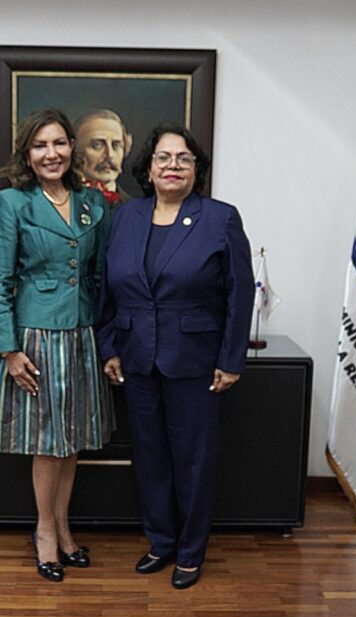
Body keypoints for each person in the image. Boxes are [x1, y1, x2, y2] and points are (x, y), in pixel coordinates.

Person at [97, 123, 255, 589]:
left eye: (183, 159)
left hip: (197, 362)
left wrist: (231, 359)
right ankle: (161, 541)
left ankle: (190, 551)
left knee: (193, 460)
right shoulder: (125, 217)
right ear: (148, 168)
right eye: (163, 158)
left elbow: (240, 292)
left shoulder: (220, 218)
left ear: (195, 169)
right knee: (150, 458)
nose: (173, 166)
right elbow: (107, 288)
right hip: (137, 360)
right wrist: (109, 346)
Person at [0, 108, 113, 583]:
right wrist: (9, 350)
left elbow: (99, 276)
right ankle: (44, 532)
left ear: (71, 148)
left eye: (58, 143)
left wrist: (107, 338)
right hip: (36, 339)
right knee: (48, 443)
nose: (51, 153)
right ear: (27, 153)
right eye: (40, 145)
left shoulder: (92, 203)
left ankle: (63, 526)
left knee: (71, 441)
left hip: (82, 336)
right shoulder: (12, 202)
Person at [74, 109, 133, 205]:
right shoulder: (59, 205)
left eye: (116, 145)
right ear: (76, 151)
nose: (110, 155)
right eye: (97, 145)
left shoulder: (135, 209)